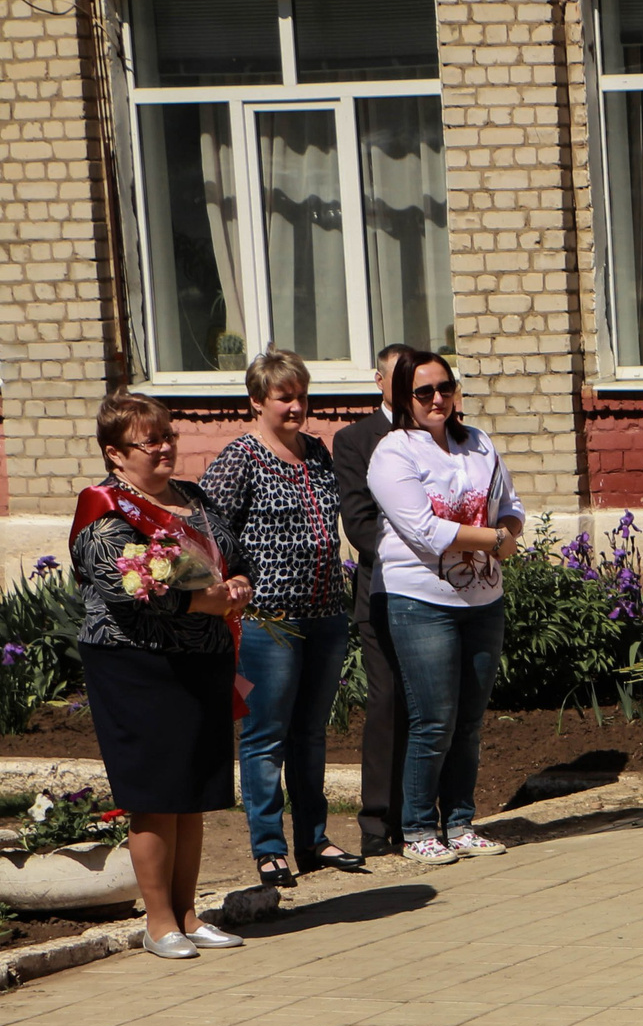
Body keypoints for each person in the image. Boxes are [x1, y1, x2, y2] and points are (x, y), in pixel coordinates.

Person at [71, 394, 253, 959]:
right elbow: (127, 589)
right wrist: (201, 604)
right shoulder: (104, 512)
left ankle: (189, 915)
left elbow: (232, 552)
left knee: (193, 792)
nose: (166, 447)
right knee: (155, 795)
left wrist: (239, 584)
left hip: (202, 659)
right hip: (136, 664)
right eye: (151, 441)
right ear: (115, 454)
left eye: (168, 435)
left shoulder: (193, 499)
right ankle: (158, 922)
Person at [198, 350, 360, 890]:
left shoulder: (316, 452)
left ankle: (314, 838)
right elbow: (208, 531)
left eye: (301, 396)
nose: (295, 407)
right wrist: (231, 587)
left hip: (325, 613)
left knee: (311, 734)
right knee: (265, 737)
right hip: (270, 620)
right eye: (283, 397)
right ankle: (269, 849)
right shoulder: (241, 457)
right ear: (256, 401)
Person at [369, 350, 525, 867]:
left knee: (470, 720)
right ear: (403, 399)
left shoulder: (477, 442)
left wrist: (507, 533)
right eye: (423, 392)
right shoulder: (393, 453)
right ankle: (417, 829)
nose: (438, 399)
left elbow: (511, 507)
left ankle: (459, 821)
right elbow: (424, 530)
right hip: (421, 600)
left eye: (445, 387)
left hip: (484, 598)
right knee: (433, 718)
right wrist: (497, 539)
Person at [331, 342, 411, 860]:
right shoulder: (356, 440)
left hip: (447, 594)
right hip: (384, 591)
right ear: (378, 381)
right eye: (399, 380)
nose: (414, 393)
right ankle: (377, 824)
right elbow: (360, 525)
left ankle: (428, 814)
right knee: (386, 703)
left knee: (435, 707)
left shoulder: (444, 433)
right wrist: (427, 544)